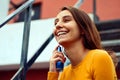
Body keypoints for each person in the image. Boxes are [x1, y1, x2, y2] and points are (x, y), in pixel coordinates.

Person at [47, 6, 117, 80]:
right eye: (56, 23)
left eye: (66, 20)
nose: (57, 25)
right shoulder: (65, 72)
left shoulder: (99, 58)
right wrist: (52, 72)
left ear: (82, 29)